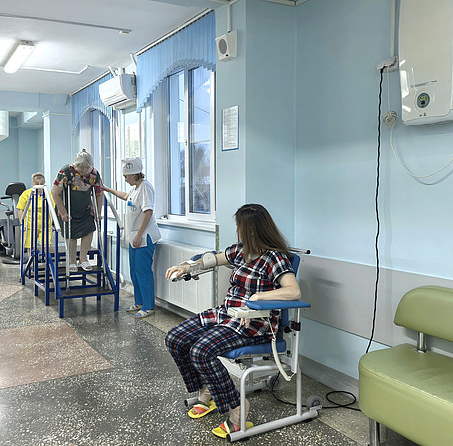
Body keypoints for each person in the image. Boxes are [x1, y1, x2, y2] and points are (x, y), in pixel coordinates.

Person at [164, 204, 301, 438]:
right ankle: (208, 389)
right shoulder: (240, 251)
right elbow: (211, 260)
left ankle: (238, 407)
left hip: (253, 324)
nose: (236, 230)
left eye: (239, 226)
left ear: (251, 230)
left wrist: (258, 297)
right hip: (227, 313)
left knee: (200, 351)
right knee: (175, 338)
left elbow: (294, 291)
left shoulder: (274, 258)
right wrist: (186, 266)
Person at [102, 157, 161, 318]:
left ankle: (148, 306)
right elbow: (126, 196)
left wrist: (139, 235)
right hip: (134, 237)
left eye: (126, 176)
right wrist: (107, 189)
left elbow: (148, 212)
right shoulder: (136, 189)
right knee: (134, 272)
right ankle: (139, 302)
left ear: (134, 174)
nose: (125, 179)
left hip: (144, 237)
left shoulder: (145, 187)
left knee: (143, 272)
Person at [51, 150, 103, 274]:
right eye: (81, 167)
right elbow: (55, 192)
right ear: (76, 165)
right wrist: (63, 212)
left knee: (89, 230)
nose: (84, 170)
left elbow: (99, 194)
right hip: (67, 208)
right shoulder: (66, 171)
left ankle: (83, 259)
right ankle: (72, 261)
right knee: (71, 235)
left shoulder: (94, 174)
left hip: (85, 208)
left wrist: (98, 212)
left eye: (87, 167)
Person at [16, 173, 54, 250]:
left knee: (46, 246)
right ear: (33, 183)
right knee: (31, 247)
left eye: (41, 184)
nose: (39, 186)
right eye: (37, 184)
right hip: (30, 225)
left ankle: (44, 257)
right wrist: (22, 223)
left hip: (45, 224)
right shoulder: (26, 194)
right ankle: (32, 257)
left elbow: (52, 208)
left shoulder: (47, 194)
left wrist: (54, 223)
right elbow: (20, 209)